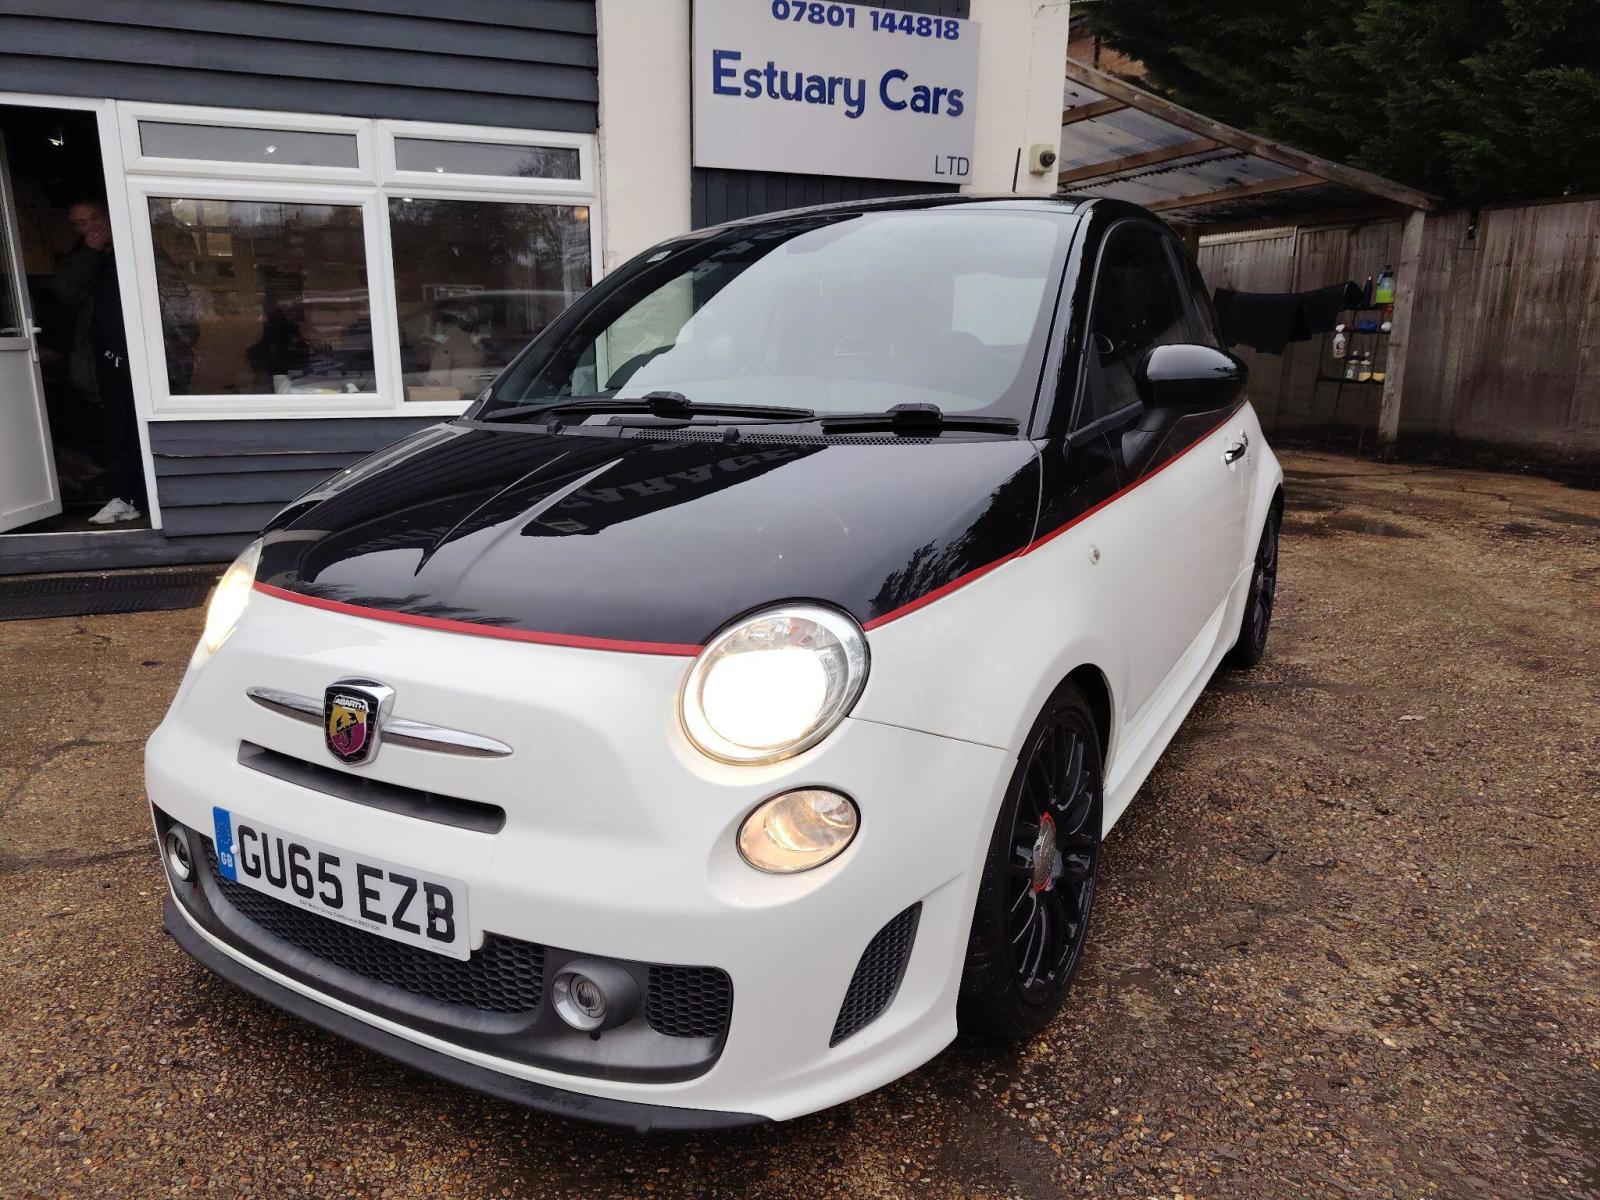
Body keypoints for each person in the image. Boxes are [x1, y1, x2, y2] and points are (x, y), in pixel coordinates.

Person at [53, 198, 144, 525]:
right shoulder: (80, 257)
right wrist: (91, 250)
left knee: (142, 430)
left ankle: (146, 497)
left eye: (94, 218)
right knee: (116, 432)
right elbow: (65, 292)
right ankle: (124, 498)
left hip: (147, 359)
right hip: (105, 361)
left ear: (106, 215)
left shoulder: (135, 240)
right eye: (81, 223)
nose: (91, 226)